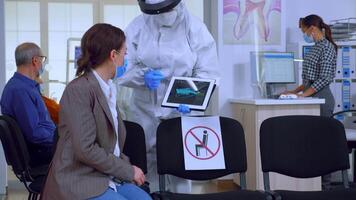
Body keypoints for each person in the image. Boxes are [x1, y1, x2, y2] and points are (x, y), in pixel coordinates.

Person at [117, 0, 219, 192]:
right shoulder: (137, 27)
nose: (161, 14)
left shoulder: (195, 28)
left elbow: (209, 72)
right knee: (145, 165)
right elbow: (121, 66)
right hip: (144, 107)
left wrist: (191, 99)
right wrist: (141, 78)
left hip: (181, 110)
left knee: (180, 163)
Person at [41, 23, 152, 200]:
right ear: (113, 55)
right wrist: (127, 170)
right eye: (125, 54)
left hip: (103, 174)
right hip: (78, 178)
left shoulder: (108, 89)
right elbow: (86, 150)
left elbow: (111, 145)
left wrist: (128, 169)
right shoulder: (79, 90)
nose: (126, 60)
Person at [283, 14, 337, 190]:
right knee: (311, 144)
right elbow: (309, 80)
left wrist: (304, 95)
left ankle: (325, 186)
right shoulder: (314, 47)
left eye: (303, 30)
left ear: (312, 29)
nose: (303, 33)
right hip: (311, 97)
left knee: (322, 144)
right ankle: (312, 184)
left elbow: (324, 78)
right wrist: (295, 92)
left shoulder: (327, 47)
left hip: (322, 99)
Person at [0, 42, 56, 168]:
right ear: (35, 60)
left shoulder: (24, 87)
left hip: (42, 148)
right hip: (40, 152)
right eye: (42, 60)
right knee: (85, 153)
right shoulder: (20, 91)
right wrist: (59, 139)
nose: (43, 64)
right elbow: (35, 133)